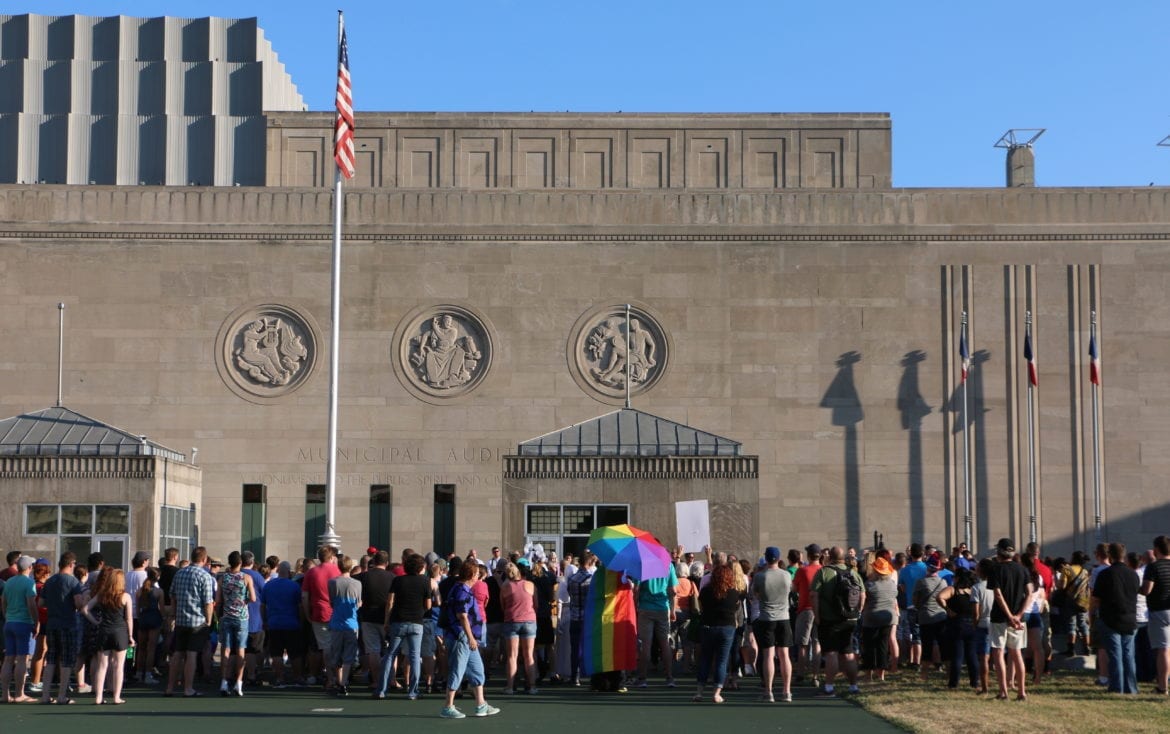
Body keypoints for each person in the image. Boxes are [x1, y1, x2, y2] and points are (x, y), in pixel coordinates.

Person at [440, 560, 500, 719]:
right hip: (462, 637)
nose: (478, 577)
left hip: (467, 638)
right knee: (457, 670)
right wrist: (470, 637)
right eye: (476, 574)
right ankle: (448, 706)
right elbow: (462, 617)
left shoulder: (462, 589)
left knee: (477, 670)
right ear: (472, 575)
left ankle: (481, 704)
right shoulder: (462, 591)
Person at [811, 546, 865, 697]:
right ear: (843, 557)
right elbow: (862, 594)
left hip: (830, 619)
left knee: (831, 653)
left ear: (829, 557)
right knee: (849, 653)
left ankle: (829, 687)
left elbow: (814, 595)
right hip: (850, 619)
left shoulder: (823, 572)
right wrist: (857, 612)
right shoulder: (853, 572)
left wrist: (817, 615)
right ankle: (853, 686)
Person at [379, 553, 430, 700]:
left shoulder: (398, 580)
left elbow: (390, 602)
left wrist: (386, 620)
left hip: (398, 621)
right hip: (416, 622)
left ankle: (382, 690)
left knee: (390, 655)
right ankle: (413, 691)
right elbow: (428, 605)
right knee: (414, 656)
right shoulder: (425, 581)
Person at [987, 538, 1033, 701]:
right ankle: (1021, 691)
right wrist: (1018, 615)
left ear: (999, 551)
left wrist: (1009, 616)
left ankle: (1003, 692)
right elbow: (1029, 593)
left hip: (1000, 616)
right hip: (1018, 618)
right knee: (1017, 653)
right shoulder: (1022, 569)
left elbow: (998, 594)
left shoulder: (996, 569)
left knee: (998, 652)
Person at [166, 546, 215, 697]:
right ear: (205, 559)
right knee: (192, 654)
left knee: (177, 654)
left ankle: (169, 687)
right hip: (197, 621)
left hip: (181, 620)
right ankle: (188, 688)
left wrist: (174, 613)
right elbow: (208, 602)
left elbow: (172, 595)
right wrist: (209, 620)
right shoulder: (205, 576)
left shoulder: (180, 573)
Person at [1094, 541, 1140, 694]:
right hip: (1130, 618)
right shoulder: (1133, 574)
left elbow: (1096, 599)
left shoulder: (1105, 574)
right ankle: (1131, 687)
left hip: (1110, 618)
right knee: (1129, 656)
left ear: (1110, 556)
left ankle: (1116, 687)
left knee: (1115, 655)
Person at [83, 567, 133, 705]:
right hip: (120, 632)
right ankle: (116, 697)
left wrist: (96, 621)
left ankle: (98, 697)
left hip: (104, 631)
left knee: (102, 665)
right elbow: (129, 618)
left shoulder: (101, 595)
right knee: (118, 666)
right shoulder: (125, 596)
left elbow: (85, 609)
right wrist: (131, 635)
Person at [38, 552, 83, 705]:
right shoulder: (73, 581)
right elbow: (78, 604)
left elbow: (41, 603)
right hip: (68, 624)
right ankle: (62, 695)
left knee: (50, 659)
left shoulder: (50, 581)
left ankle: (45, 695)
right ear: (71, 564)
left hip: (52, 623)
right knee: (66, 660)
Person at [752, 546, 793, 702]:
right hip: (784, 617)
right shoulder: (786, 575)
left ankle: (768, 691)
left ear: (766, 558)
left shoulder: (760, 576)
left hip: (766, 618)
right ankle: (786, 691)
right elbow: (791, 590)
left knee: (768, 655)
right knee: (785, 655)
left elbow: (755, 594)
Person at [694, 564, 739, 703]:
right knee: (722, 660)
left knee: (705, 659)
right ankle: (716, 693)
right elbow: (736, 609)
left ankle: (699, 692)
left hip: (708, 626)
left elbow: (701, 607)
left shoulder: (706, 591)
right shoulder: (733, 593)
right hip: (727, 627)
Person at [634, 554, 678, 689]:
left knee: (645, 645)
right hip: (662, 608)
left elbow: (636, 589)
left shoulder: (643, 565)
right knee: (664, 643)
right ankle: (669, 677)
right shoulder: (668, 565)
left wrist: (636, 606)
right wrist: (672, 609)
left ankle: (642, 678)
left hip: (645, 608)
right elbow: (673, 590)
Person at [216, 551, 256, 697]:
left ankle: (224, 682)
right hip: (241, 617)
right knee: (240, 650)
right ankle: (239, 683)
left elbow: (218, 600)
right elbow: (253, 598)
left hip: (226, 616)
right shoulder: (246, 577)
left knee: (225, 650)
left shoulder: (222, 578)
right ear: (240, 563)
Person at [301, 545, 341, 687]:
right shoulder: (337, 570)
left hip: (319, 613)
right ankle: (338, 677)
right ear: (331, 557)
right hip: (337, 613)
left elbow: (305, 596)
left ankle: (330, 678)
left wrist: (307, 614)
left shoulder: (311, 573)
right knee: (336, 646)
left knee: (325, 647)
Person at [1, 555, 39, 702]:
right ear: (29, 568)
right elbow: (31, 604)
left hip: (9, 622)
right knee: (22, 659)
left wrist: (7, 616)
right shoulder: (29, 583)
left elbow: (3, 602)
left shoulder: (9, 582)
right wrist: (36, 622)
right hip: (23, 623)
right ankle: (19, 694)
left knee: (8, 659)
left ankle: (5, 694)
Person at [261, 561, 304, 687]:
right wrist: (301, 620)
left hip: (274, 623)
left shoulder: (268, 586)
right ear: (289, 572)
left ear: (278, 571)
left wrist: (264, 621)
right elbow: (300, 606)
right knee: (295, 653)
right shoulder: (294, 586)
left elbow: (262, 605)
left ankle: (280, 678)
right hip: (292, 623)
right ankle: (298, 677)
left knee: (276, 653)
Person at [937, 568, 980, 689]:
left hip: (956, 624)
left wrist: (948, 609)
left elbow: (939, 597)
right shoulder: (972, 591)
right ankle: (974, 682)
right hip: (971, 623)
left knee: (957, 655)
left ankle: (953, 683)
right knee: (972, 655)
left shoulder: (953, 590)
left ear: (957, 579)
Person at [860, 549, 898, 682]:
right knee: (883, 647)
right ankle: (881, 675)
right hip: (888, 618)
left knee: (869, 647)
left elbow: (864, 602)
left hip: (871, 618)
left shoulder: (869, 585)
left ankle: (868, 675)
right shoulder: (893, 585)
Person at [326, 555, 361, 696]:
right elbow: (358, 603)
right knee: (348, 655)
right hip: (351, 623)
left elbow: (331, 602)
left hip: (336, 622)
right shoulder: (357, 583)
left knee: (336, 654)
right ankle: (343, 683)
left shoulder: (332, 582)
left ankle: (338, 681)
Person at [359, 551, 393, 689]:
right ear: (387, 563)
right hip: (387, 618)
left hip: (368, 617)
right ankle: (391, 679)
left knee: (373, 650)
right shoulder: (393, 577)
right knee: (390, 651)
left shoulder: (363, 577)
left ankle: (376, 680)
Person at [1141, 535, 1170, 695]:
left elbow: (1147, 590)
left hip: (1159, 610)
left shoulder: (1153, 567)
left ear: (1156, 550)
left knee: (1163, 650)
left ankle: (1162, 686)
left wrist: (1137, 589)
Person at [913, 553, 948, 681]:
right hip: (940, 616)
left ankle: (924, 674)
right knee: (943, 645)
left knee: (926, 646)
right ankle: (947, 672)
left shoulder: (921, 582)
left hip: (925, 617)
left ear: (927, 567)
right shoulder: (943, 582)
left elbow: (916, 601)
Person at [566, 552, 597, 686]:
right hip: (588, 618)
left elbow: (569, 593)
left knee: (574, 649)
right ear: (589, 563)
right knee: (590, 648)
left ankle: (575, 676)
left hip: (574, 616)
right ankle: (591, 676)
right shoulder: (591, 579)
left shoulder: (572, 579)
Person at [793, 544, 822, 685]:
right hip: (820, 610)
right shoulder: (823, 570)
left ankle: (800, 674)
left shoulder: (802, 571)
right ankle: (815, 676)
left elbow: (794, 588)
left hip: (805, 609)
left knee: (803, 644)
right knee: (817, 643)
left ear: (809, 555)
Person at [136, 568, 165, 685]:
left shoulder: (140, 591)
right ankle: (148, 674)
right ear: (157, 577)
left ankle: (138, 673)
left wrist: (140, 618)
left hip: (143, 618)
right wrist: (163, 619)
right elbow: (162, 609)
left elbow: (137, 609)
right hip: (154, 618)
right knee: (151, 649)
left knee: (141, 648)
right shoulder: (159, 592)